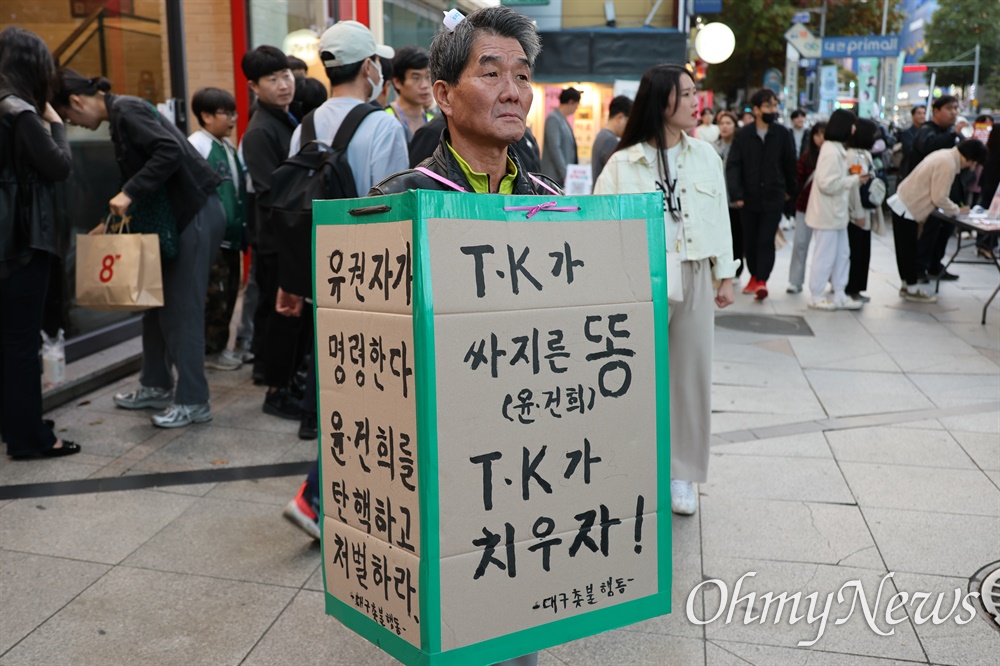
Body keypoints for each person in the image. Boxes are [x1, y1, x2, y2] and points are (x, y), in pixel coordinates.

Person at [279, 18, 407, 535]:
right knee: (372, 391)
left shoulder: (303, 126)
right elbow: (393, 210)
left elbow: (293, 207)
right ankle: (315, 496)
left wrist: (292, 281)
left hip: (318, 273)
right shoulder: (382, 126)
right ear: (370, 66)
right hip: (371, 277)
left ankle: (332, 494)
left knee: (341, 383)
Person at [594, 64, 737, 516]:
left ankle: (682, 473)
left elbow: (719, 217)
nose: (697, 102)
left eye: (695, 92)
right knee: (631, 374)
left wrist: (725, 273)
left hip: (694, 272)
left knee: (691, 377)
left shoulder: (705, 155)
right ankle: (629, 464)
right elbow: (600, 227)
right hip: (641, 275)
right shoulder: (622, 163)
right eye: (688, 93)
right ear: (662, 100)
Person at [54, 69, 226, 427]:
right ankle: (156, 385)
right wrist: (109, 219)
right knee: (154, 305)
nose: (74, 124)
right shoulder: (121, 114)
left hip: (193, 215)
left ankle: (194, 401)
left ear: (76, 101)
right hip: (179, 219)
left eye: (68, 116)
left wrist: (129, 193)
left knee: (181, 312)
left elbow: (168, 151)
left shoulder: (127, 110)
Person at [0, 26, 80, 459]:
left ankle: (15, 423)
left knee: (8, 341)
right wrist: (56, 123)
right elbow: (59, 166)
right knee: (21, 342)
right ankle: (31, 438)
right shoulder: (19, 111)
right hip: (22, 242)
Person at [238, 46, 302, 418]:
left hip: (287, 235)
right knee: (281, 316)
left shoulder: (286, 116)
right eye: (272, 79)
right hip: (277, 239)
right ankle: (276, 392)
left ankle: (284, 380)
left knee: (286, 316)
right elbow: (269, 193)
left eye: (286, 75)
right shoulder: (260, 131)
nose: (283, 84)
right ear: (254, 86)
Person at [188, 87, 248, 371]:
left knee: (229, 294)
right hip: (211, 239)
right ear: (206, 116)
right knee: (213, 298)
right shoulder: (197, 145)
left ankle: (221, 349)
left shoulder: (227, 146)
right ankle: (208, 354)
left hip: (231, 237)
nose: (232, 119)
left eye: (233, 113)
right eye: (226, 113)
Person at [888, 139, 988, 302]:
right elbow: (939, 197)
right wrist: (957, 210)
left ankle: (907, 286)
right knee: (909, 251)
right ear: (971, 159)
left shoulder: (945, 155)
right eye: (975, 164)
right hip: (908, 207)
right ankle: (911, 289)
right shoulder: (948, 164)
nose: (972, 168)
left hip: (904, 204)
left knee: (905, 250)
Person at [725, 88, 797, 301]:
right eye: (767, 106)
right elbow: (733, 165)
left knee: (766, 239)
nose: (772, 110)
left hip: (774, 196)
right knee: (750, 240)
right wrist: (736, 193)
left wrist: (789, 192)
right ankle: (754, 275)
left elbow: (790, 164)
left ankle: (762, 280)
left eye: (775, 105)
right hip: (748, 198)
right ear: (756, 110)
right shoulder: (743, 135)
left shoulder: (783, 134)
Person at [803, 109, 866, 311]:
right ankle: (816, 295)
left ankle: (840, 294)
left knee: (841, 254)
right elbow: (827, 184)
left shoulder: (835, 148)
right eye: (852, 124)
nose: (854, 129)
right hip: (827, 215)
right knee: (825, 255)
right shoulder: (831, 151)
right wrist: (853, 180)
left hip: (835, 214)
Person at [907, 95, 969, 282]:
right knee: (928, 232)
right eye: (949, 108)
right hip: (928, 195)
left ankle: (935, 265)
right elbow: (929, 147)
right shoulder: (927, 130)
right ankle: (919, 268)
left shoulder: (952, 133)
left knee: (944, 231)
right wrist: (953, 134)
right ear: (936, 111)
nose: (954, 113)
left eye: (956, 109)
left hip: (947, 193)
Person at [845, 118, 883, 303]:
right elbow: (854, 187)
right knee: (857, 251)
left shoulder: (863, 153)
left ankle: (855, 287)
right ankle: (852, 288)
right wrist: (857, 214)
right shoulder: (855, 156)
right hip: (856, 213)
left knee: (861, 250)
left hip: (863, 210)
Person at [786, 121, 826, 294]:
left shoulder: (835, 155)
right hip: (805, 205)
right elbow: (798, 180)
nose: (820, 138)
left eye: (823, 134)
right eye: (817, 134)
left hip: (825, 208)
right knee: (800, 243)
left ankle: (828, 281)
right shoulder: (807, 156)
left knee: (825, 246)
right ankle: (795, 281)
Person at [713, 110, 743, 279]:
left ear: (735, 126)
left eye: (728, 123)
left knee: (736, 236)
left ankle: (736, 271)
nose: (724, 127)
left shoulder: (741, 146)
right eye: (721, 123)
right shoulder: (712, 146)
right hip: (717, 199)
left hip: (734, 200)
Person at [386, 46, 434, 143]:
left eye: (428, 77)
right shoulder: (385, 119)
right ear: (397, 82)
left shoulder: (433, 121)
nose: (424, 85)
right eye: (416, 78)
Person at [539, 86, 580, 187]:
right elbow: (555, 148)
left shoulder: (562, 119)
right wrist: (564, 174)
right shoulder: (553, 119)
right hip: (554, 177)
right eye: (576, 105)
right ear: (571, 102)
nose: (577, 108)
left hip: (561, 178)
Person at [591, 94, 631, 187]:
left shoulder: (602, 135)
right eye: (628, 121)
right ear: (620, 118)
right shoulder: (610, 140)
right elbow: (618, 174)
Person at [898, 105, 926, 179]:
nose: (922, 116)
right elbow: (909, 151)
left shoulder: (928, 132)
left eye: (924, 113)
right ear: (913, 116)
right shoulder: (907, 133)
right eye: (919, 113)